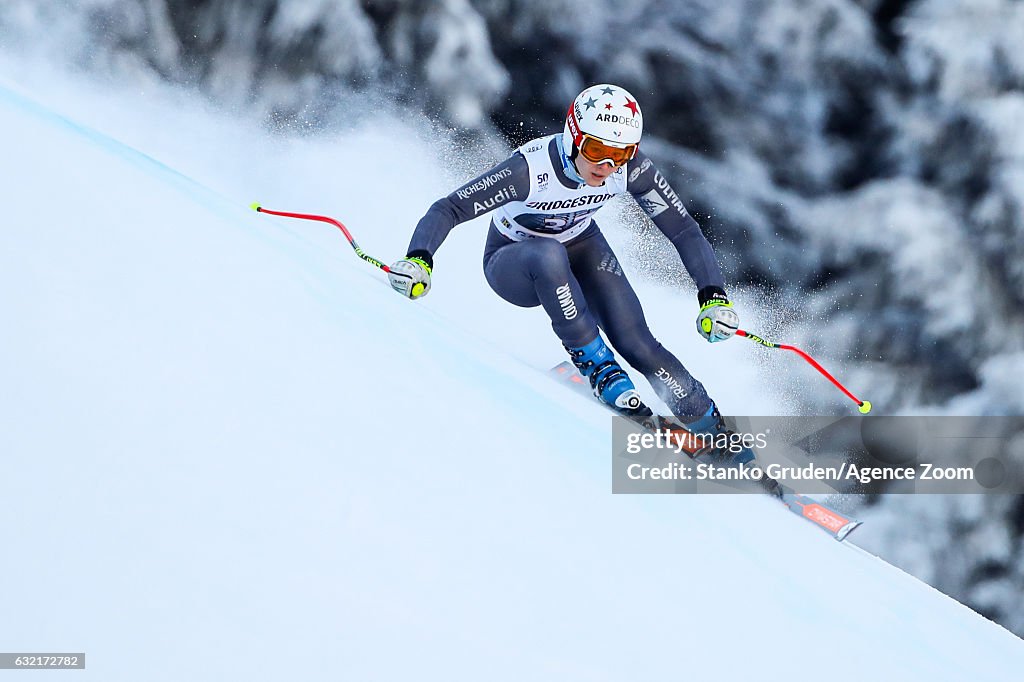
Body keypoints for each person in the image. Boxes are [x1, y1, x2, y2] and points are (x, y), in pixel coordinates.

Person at [388, 83, 749, 462]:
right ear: (574, 136)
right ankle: (597, 364)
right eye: (596, 150)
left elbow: (683, 230)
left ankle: (712, 427)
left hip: (580, 244)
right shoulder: (529, 170)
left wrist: (713, 296)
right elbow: (450, 208)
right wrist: (419, 259)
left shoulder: (632, 170)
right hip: (514, 262)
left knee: (638, 343)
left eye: (621, 154)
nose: (607, 167)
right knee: (547, 254)